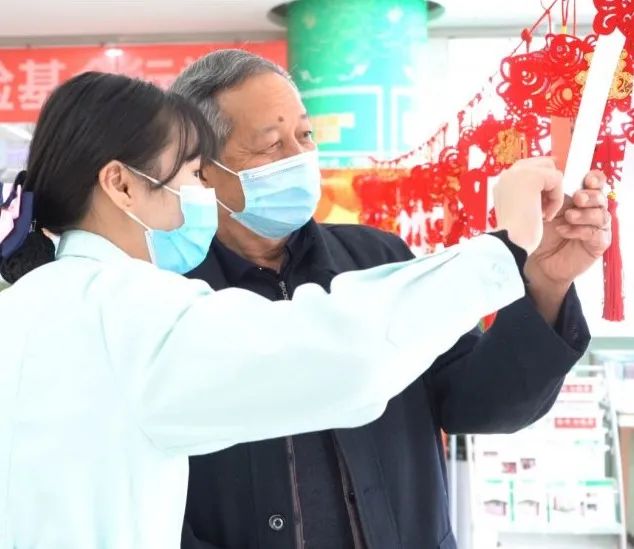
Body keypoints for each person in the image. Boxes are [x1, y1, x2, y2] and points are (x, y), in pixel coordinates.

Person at [0, 72, 554, 549]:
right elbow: (343, 357)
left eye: (305, 135)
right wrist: (503, 248)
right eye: (191, 175)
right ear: (122, 184)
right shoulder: (137, 311)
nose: (199, 195)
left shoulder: (25, 305)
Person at [171, 50, 611, 549]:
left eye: (305, 134)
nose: (298, 156)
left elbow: (479, 401)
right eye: (271, 144)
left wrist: (546, 282)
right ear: (201, 169)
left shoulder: (380, 258)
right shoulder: (172, 298)